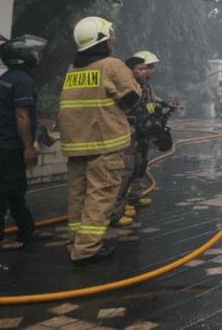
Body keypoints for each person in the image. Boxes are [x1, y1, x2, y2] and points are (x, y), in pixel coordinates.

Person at [58, 16, 141, 266]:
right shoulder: (111, 66)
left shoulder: (74, 69)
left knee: (78, 196)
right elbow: (132, 98)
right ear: (102, 40)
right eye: (110, 34)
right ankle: (87, 250)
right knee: (101, 196)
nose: (114, 38)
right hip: (104, 143)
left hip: (76, 144)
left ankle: (75, 241)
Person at [0, 34, 48, 252]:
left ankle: (27, 229)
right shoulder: (23, 80)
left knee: (16, 187)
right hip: (10, 144)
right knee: (4, 189)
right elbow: (21, 115)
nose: (38, 55)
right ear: (23, 56)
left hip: (2, 141)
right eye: (34, 52)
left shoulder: (8, 76)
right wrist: (29, 147)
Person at [108, 50, 162, 227]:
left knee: (139, 166)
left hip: (141, 132)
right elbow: (128, 108)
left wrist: (160, 107)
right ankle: (116, 210)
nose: (146, 72)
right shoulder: (128, 87)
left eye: (147, 68)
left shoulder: (145, 86)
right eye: (142, 68)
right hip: (129, 133)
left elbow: (150, 102)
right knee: (125, 171)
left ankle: (133, 198)